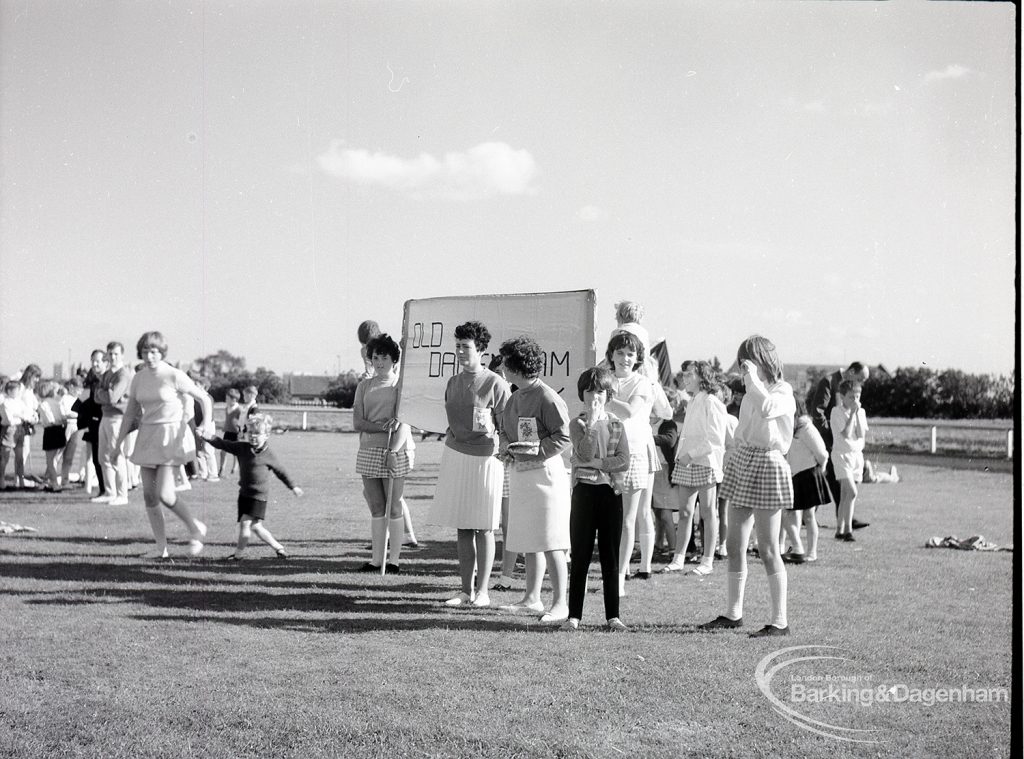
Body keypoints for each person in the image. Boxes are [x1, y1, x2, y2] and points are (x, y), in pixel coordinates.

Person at [700, 335, 796, 637]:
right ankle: (733, 612)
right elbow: (745, 427)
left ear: (763, 359)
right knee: (734, 544)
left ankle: (780, 620)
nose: (744, 367)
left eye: (748, 360)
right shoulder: (752, 388)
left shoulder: (783, 390)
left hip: (769, 462)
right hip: (743, 460)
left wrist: (752, 377)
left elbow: (768, 409)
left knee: (767, 547)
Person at [427, 320, 510, 607]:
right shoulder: (452, 382)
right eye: (458, 347)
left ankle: (483, 591)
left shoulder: (496, 383)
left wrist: (496, 434)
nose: (461, 352)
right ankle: (466, 590)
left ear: (481, 350)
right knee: (463, 526)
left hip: (486, 458)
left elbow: (507, 423)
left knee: (484, 526)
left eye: (467, 347)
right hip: (456, 455)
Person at [112, 331, 213, 559]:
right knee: (149, 496)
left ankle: (195, 528)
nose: (150, 356)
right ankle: (162, 549)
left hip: (172, 437)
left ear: (162, 352)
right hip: (148, 436)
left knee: (165, 494)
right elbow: (130, 415)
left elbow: (204, 399)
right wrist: (117, 444)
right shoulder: (138, 378)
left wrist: (206, 424)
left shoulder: (174, 375)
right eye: (146, 351)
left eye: (154, 351)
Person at [496, 336, 572, 623]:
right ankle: (532, 598)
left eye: (505, 362)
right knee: (529, 538)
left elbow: (563, 436)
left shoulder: (548, 397)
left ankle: (561, 603)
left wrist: (535, 453)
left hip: (545, 478)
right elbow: (504, 430)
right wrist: (506, 448)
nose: (501, 366)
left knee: (552, 540)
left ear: (516, 365)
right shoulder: (514, 396)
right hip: (521, 476)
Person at [564, 367, 631, 631]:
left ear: (609, 395)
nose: (595, 396)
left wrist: (598, 463)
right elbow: (583, 452)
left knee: (610, 556)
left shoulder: (616, 424)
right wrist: (591, 424)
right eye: (590, 390)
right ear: (582, 393)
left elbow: (623, 460)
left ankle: (612, 616)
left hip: (610, 493)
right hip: (584, 492)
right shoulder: (577, 423)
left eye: (600, 391)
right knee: (580, 554)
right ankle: (574, 616)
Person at [352, 333, 414, 574]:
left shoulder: (400, 385)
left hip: (395, 451)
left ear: (394, 360)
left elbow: (404, 423)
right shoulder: (363, 385)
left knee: (394, 506)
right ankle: (377, 559)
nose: (379, 362)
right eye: (375, 357)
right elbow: (358, 421)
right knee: (376, 507)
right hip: (368, 450)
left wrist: (392, 450)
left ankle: (395, 561)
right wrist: (380, 426)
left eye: (384, 357)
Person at [202, 413, 302, 559]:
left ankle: (238, 555)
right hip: (244, 494)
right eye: (251, 433)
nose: (253, 436)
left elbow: (281, 472)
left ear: (266, 435)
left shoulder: (269, 455)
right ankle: (279, 548)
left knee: (245, 524)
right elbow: (224, 444)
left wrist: (293, 487)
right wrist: (208, 437)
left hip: (258, 497)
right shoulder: (242, 448)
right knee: (256, 527)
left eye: (257, 433)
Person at [605, 331, 659, 596]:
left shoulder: (642, 383)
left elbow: (628, 411)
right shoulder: (605, 380)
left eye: (630, 354)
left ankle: (619, 577)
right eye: (620, 353)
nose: (625, 359)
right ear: (611, 355)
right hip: (604, 453)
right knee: (607, 520)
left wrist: (601, 396)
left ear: (637, 358)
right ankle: (610, 570)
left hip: (633, 453)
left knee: (628, 520)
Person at [661, 361, 728, 576]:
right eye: (685, 374)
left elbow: (715, 439)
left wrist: (690, 455)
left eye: (690, 374)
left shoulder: (712, 402)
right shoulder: (693, 401)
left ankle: (707, 560)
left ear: (702, 377)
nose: (685, 378)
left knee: (708, 513)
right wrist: (682, 456)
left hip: (704, 463)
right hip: (687, 462)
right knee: (685, 512)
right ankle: (678, 558)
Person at [811, 362, 870, 529]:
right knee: (826, 478)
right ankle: (839, 521)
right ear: (851, 372)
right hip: (828, 441)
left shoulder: (851, 390)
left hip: (844, 444)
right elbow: (817, 412)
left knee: (840, 482)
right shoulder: (828, 382)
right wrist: (831, 437)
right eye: (860, 378)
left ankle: (844, 521)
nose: (861, 383)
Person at [782, 399, 830, 563]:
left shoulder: (806, 427)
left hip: (810, 474)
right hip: (795, 475)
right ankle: (797, 548)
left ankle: (811, 552)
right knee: (788, 513)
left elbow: (822, 454)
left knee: (809, 516)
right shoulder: (790, 427)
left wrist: (820, 471)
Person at [488, 353, 520, 592]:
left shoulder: (517, 400)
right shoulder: (487, 399)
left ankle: (506, 576)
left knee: (510, 523)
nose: (502, 377)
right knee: (487, 523)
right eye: (498, 372)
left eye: (505, 373)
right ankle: (485, 572)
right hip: (489, 462)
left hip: (510, 465)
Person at [94, 341, 133, 505]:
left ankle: (122, 495)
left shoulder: (123, 374)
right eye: (110, 354)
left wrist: (103, 394)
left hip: (118, 418)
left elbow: (113, 397)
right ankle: (110, 492)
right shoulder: (107, 373)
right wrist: (103, 394)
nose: (113, 357)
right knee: (103, 456)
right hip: (106, 416)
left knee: (117, 456)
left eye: (116, 354)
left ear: (122, 355)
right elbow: (96, 395)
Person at [830, 379, 868, 542]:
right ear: (843, 397)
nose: (855, 400)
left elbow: (860, 434)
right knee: (852, 492)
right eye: (852, 397)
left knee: (846, 494)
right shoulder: (836, 412)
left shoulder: (861, 412)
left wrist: (857, 414)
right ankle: (848, 530)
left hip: (855, 456)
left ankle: (840, 529)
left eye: (858, 397)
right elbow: (846, 433)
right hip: (841, 455)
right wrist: (852, 413)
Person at [651, 388, 685, 559]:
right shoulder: (654, 422)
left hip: (664, 471)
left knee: (664, 512)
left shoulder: (668, 423)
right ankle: (658, 544)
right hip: (655, 470)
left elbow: (670, 440)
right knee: (657, 512)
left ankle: (674, 548)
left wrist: (648, 438)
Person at [36, 381, 70, 491]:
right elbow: (64, 418)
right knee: (55, 459)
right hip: (61, 430)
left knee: (50, 461)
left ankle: (55, 484)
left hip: (51, 431)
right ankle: (48, 482)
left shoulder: (43, 404)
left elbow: (50, 420)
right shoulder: (56, 402)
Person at [1, 380, 36, 489]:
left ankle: (20, 480)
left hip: (20, 430)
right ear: (10, 390)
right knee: (4, 458)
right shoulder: (5, 403)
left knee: (20, 458)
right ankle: (1, 480)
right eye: (16, 390)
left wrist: (22, 415)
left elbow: (28, 414)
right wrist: (22, 416)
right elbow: (9, 419)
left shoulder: (19, 402)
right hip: (9, 431)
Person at [12, 364, 42, 488]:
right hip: (20, 424)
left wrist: (35, 415)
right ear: (30, 375)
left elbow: (34, 405)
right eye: (36, 377)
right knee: (22, 452)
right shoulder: (21, 388)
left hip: (28, 424)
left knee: (25, 451)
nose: (37, 380)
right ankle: (19, 479)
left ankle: (20, 478)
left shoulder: (29, 390)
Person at [219, 388, 242, 475]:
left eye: (227, 398)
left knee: (236, 452)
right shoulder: (226, 408)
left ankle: (234, 467)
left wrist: (241, 432)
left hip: (236, 433)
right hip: (227, 432)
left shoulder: (239, 409)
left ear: (234, 399)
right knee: (223, 451)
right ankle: (222, 468)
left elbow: (242, 422)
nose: (225, 400)